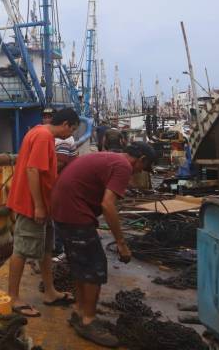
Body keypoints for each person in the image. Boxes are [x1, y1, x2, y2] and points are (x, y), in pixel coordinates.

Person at [51, 142, 157, 347]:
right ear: (141, 159)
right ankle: (88, 321)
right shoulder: (124, 166)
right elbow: (107, 205)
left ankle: (80, 312)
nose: (139, 173)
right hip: (74, 211)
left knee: (81, 265)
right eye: (143, 167)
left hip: (62, 209)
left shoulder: (110, 158)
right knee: (94, 268)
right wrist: (121, 242)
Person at [7, 107, 80, 317]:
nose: (71, 135)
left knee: (46, 248)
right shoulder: (43, 136)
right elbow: (33, 170)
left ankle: (50, 291)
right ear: (65, 124)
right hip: (31, 205)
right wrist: (38, 206)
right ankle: (13, 297)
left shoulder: (39, 132)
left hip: (43, 205)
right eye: (72, 130)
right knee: (21, 250)